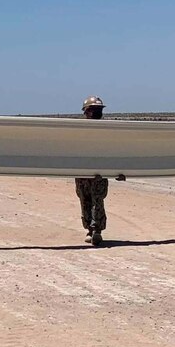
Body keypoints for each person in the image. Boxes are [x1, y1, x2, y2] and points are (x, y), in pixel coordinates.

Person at [75, 96, 109, 246]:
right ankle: (90, 229)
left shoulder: (109, 130)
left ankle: (96, 230)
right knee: (85, 200)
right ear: (86, 112)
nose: (96, 112)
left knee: (97, 200)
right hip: (82, 172)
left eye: (98, 110)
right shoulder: (77, 131)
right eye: (93, 110)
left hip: (99, 172)